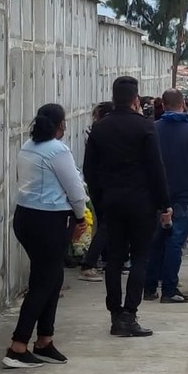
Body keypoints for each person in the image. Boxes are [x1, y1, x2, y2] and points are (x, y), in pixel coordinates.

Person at [83, 76, 172, 338]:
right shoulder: (145, 127)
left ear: (113, 98)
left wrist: (99, 200)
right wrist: (164, 202)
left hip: (111, 200)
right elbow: (157, 168)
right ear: (136, 99)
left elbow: (90, 170)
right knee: (140, 257)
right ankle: (129, 315)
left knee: (114, 259)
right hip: (142, 202)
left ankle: (114, 314)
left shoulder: (100, 128)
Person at [4, 104, 87, 368]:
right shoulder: (58, 150)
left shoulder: (28, 146)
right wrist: (80, 217)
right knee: (43, 282)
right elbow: (74, 188)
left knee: (52, 277)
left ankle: (44, 340)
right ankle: (18, 346)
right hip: (49, 221)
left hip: (26, 217)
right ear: (60, 124)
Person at [142, 89, 188, 304]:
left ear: (163, 105)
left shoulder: (153, 130)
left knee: (155, 239)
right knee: (175, 240)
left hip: (156, 192)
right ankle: (169, 288)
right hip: (185, 191)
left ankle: (148, 286)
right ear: (183, 104)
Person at [78, 101, 114, 282]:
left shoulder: (94, 131)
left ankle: (104, 259)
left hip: (95, 184)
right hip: (106, 184)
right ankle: (89, 263)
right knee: (107, 224)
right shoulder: (107, 132)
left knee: (103, 222)